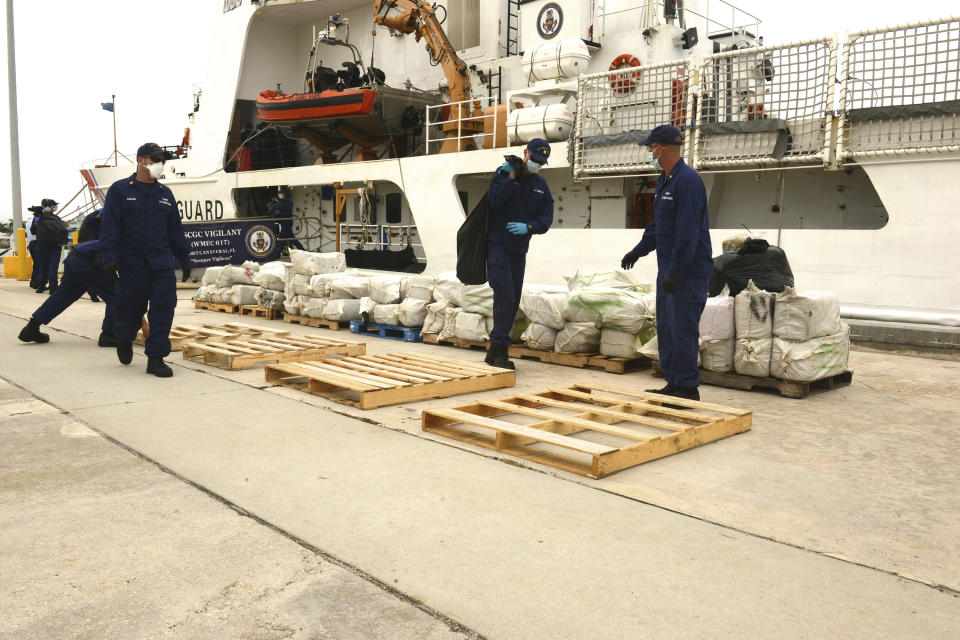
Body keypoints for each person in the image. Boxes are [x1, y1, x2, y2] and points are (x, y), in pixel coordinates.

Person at [620, 125, 713, 404]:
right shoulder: (665, 180)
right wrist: (638, 250)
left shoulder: (688, 181)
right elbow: (660, 226)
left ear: (662, 148)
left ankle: (687, 387)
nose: (649, 152)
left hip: (687, 272)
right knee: (668, 327)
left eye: (651, 148)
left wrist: (676, 271)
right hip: (670, 270)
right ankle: (673, 383)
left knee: (682, 328)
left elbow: (688, 233)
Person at [99, 142, 191, 378]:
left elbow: (175, 229)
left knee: (163, 309)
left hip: (161, 264)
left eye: (163, 160)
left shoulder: (165, 194)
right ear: (142, 161)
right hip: (132, 264)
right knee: (130, 309)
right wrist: (109, 258)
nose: (161, 164)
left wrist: (184, 256)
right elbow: (110, 227)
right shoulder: (120, 190)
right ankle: (124, 337)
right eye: (156, 159)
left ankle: (156, 358)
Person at [484, 138, 555, 370]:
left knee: (512, 300)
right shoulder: (504, 174)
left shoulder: (540, 185)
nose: (536, 164)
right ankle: (500, 350)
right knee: (504, 295)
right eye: (534, 159)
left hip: (519, 249)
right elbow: (494, 201)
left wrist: (531, 227)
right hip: (498, 246)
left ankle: (494, 350)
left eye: (541, 162)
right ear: (526, 153)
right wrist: (510, 178)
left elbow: (547, 215)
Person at [17, 239, 120, 347]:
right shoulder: (135, 243)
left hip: (77, 255)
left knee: (63, 296)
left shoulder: (126, 232)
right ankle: (109, 334)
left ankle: (31, 328)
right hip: (91, 260)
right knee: (117, 296)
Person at [31, 198, 67, 294]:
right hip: (55, 247)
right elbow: (63, 231)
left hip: (42, 246)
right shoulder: (56, 218)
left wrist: (36, 225)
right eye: (54, 206)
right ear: (50, 207)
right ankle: (53, 287)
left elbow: (32, 232)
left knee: (43, 267)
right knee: (53, 267)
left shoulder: (37, 218)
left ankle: (41, 286)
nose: (54, 208)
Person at [78, 208, 105, 301]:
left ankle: (93, 290)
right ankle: (93, 290)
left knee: (97, 270)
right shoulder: (100, 214)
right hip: (97, 246)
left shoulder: (99, 213)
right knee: (99, 270)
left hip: (95, 245)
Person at [269, 186, 303, 253]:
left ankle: (277, 253)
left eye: (281, 194)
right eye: (279, 194)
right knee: (292, 239)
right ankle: (303, 250)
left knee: (282, 238)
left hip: (287, 222)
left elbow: (288, 212)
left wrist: (280, 213)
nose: (280, 195)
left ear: (284, 194)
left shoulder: (288, 202)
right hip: (283, 222)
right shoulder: (279, 201)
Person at [24, 205, 42, 289]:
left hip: (31, 244)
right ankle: (37, 283)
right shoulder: (39, 221)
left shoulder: (28, 221)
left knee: (36, 264)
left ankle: (33, 282)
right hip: (38, 243)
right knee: (40, 265)